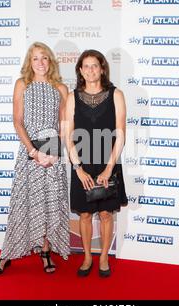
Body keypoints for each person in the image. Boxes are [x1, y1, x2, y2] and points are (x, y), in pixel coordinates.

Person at [0, 42, 70, 275]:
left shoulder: (61, 88)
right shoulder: (22, 84)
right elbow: (17, 121)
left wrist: (54, 153)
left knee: (49, 203)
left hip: (53, 156)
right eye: (36, 58)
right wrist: (33, 152)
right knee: (22, 204)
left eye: (44, 58)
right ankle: (6, 254)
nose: (41, 63)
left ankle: (45, 251)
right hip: (30, 153)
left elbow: (64, 124)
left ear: (51, 61)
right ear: (30, 62)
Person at [65, 49, 128, 278]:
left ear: (102, 68)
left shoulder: (116, 94)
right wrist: (78, 168)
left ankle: (103, 257)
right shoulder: (72, 97)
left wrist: (109, 168)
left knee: (105, 214)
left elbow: (120, 133)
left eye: (95, 65)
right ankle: (87, 257)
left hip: (108, 162)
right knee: (83, 214)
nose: (90, 70)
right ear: (80, 71)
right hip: (82, 164)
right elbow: (68, 135)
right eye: (86, 66)